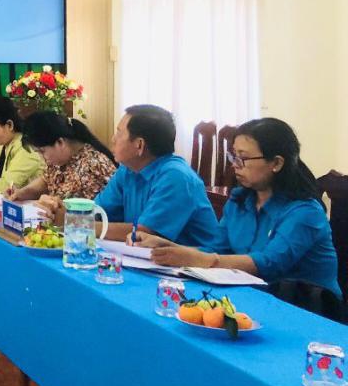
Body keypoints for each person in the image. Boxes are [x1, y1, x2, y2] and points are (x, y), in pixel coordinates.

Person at [137, 118, 341, 296]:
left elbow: (269, 265)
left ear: (277, 163)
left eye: (243, 158)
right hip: (250, 294)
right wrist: (168, 247)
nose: (235, 164)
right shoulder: (240, 200)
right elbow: (216, 249)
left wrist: (201, 259)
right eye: (233, 156)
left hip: (307, 305)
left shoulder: (305, 211)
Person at [41, 104, 220, 245]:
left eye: (119, 133)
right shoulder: (128, 170)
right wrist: (63, 210)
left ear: (139, 145)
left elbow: (144, 234)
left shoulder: (176, 178)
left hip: (197, 271)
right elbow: (98, 212)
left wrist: (74, 223)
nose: (112, 139)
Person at [9, 111, 116, 204]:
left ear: (60, 142)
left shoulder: (94, 164)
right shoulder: (58, 161)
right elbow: (46, 181)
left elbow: (100, 212)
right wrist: (22, 192)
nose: (42, 158)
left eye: (42, 151)